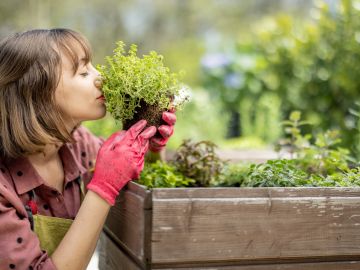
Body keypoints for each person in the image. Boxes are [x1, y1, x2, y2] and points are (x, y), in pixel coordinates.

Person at [0, 28, 176, 270]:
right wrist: (103, 189)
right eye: (83, 72)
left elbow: (129, 176)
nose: (100, 78)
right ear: (37, 93)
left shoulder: (77, 144)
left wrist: (150, 147)